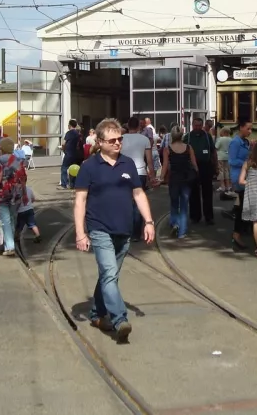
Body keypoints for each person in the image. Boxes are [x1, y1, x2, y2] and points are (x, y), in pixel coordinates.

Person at [74, 118, 156, 343]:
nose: (118, 143)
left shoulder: (128, 163)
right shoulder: (89, 167)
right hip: (99, 228)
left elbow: (138, 194)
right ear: (100, 142)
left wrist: (148, 222)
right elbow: (80, 200)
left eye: (120, 138)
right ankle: (120, 319)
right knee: (109, 274)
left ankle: (95, 314)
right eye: (113, 140)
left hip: (124, 229)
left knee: (109, 276)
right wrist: (81, 233)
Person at [0, 138, 28, 256]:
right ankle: (9, 244)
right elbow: (23, 178)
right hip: (17, 193)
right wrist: (25, 193)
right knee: (12, 219)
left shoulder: (0, 160)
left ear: (1, 148)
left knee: (5, 220)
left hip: (4, 193)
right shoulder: (19, 160)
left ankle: (10, 246)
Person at [160, 126, 198, 239]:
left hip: (174, 179)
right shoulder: (188, 147)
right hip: (186, 179)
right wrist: (197, 174)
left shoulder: (168, 149)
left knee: (174, 203)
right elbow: (194, 164)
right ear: (182, 136)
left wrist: (161, 178)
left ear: (172, 135)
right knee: (184, 206)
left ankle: (175, 223)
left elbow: (166, 165)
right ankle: (182, 232)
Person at [120, 117, 154, 241]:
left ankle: (124, 230)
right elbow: (149, 160)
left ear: (128, 126)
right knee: (138, 203)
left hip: (123, 173)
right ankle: (135, 234)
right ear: (139, 127)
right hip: (140, 173)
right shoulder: (145, 140)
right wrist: (152, 176)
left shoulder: (121, 139)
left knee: (124, 202)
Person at [185, 117, 216, 226]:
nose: (197, 127)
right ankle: (195, 216)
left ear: (202, 125)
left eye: (199, 125)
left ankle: (209, 217)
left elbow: (213, 152)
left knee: (207, 192)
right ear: (192, 125)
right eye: (195, 125)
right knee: (193, 193)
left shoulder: (207, 136)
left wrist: (215, 166)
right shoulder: (187, 137)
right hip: (192, 168)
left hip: (206, 167)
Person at [228, 120, 253, 251]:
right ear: (241, 127)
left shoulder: (245, 142)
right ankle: (237, 233)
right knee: (243, 205)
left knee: (243, 204)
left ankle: (242, 229)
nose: (250, 131)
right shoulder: (235, 142)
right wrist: (247, 163)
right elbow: (232, 161)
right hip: (239, 177)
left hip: (245, 175)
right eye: (248, 129)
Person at [59, 119, 82, 190]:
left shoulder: (69, 133)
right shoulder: (77, 134)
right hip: (75, 154)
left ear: (70, 125)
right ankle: (73, 184)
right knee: (74, 168)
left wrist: (63, 149)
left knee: (64, 168)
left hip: (68, 153)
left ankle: (64, 184)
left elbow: (63, 143)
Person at [215, 128, 234, 196]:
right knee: (227, 171)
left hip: (220, 156)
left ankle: (222, 186)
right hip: (228, 156)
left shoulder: (220, 139)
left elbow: (216, 147)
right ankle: (228, 186)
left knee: (221, 171)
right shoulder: (231, 139)